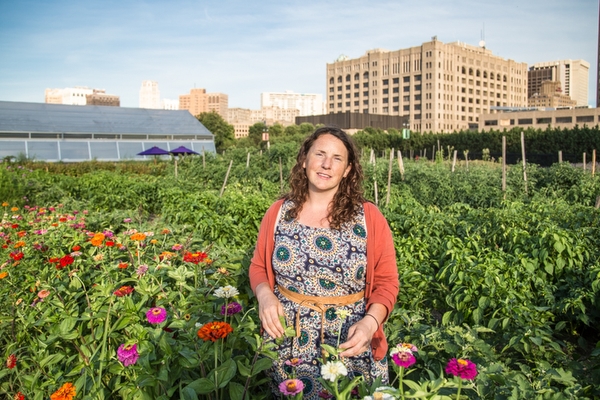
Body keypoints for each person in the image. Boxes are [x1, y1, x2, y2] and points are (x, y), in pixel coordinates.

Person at [249, 126, 399, 399]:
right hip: (290, 342)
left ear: (348, 169)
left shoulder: (368, 217)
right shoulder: (279, 212)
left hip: (351, 341)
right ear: (305, 159)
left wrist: (370, 324)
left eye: (337, 158)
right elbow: (259, 266)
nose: (327, 164)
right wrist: (265, 296)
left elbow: (387, 282)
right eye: (320, 154)